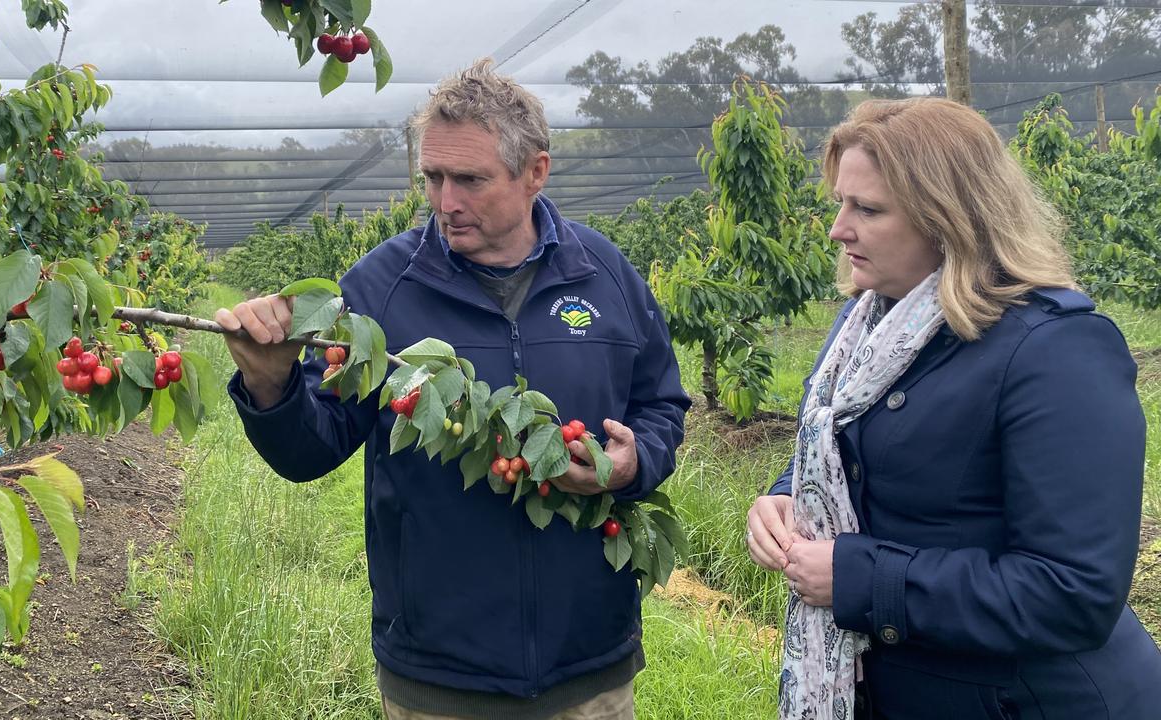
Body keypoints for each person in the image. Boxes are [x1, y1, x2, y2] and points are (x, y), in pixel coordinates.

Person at [214, 58, 689, 720]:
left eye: (469, 179)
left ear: (535, 174)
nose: (444, 202)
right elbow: (309, 451)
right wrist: (272, 389)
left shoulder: (603, 274)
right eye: (432, 178)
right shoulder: (381, 289)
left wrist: (635, 461)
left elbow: (661, 403)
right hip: (440, 674)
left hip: (589, 665)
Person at [746, 97, 1161, 720]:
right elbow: (845, 447)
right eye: (840, 203)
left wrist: (862, 579)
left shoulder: (1054, 350)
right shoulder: (866, 324)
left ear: (947, 218)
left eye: (868, 209)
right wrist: (787, 495)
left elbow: (1072, 592)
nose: (838, 228)